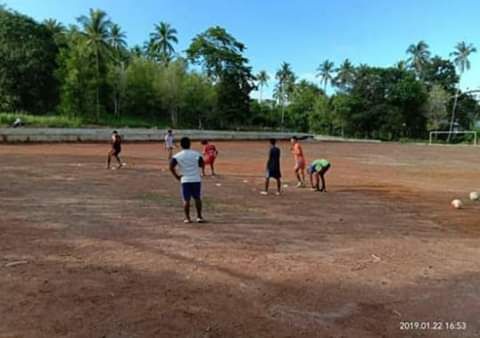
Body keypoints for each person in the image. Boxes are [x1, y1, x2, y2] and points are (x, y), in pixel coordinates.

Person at [169, 137, 206, 224]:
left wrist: (177, 177)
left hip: (185, 179)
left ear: (181, 145)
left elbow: (171, 167)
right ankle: (199, 217)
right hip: (196, 179)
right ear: (190, 144)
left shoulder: (177, 156)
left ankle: (187, 218)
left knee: (186, 200)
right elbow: (202, 164)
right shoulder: (196, 154)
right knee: (197, 198)